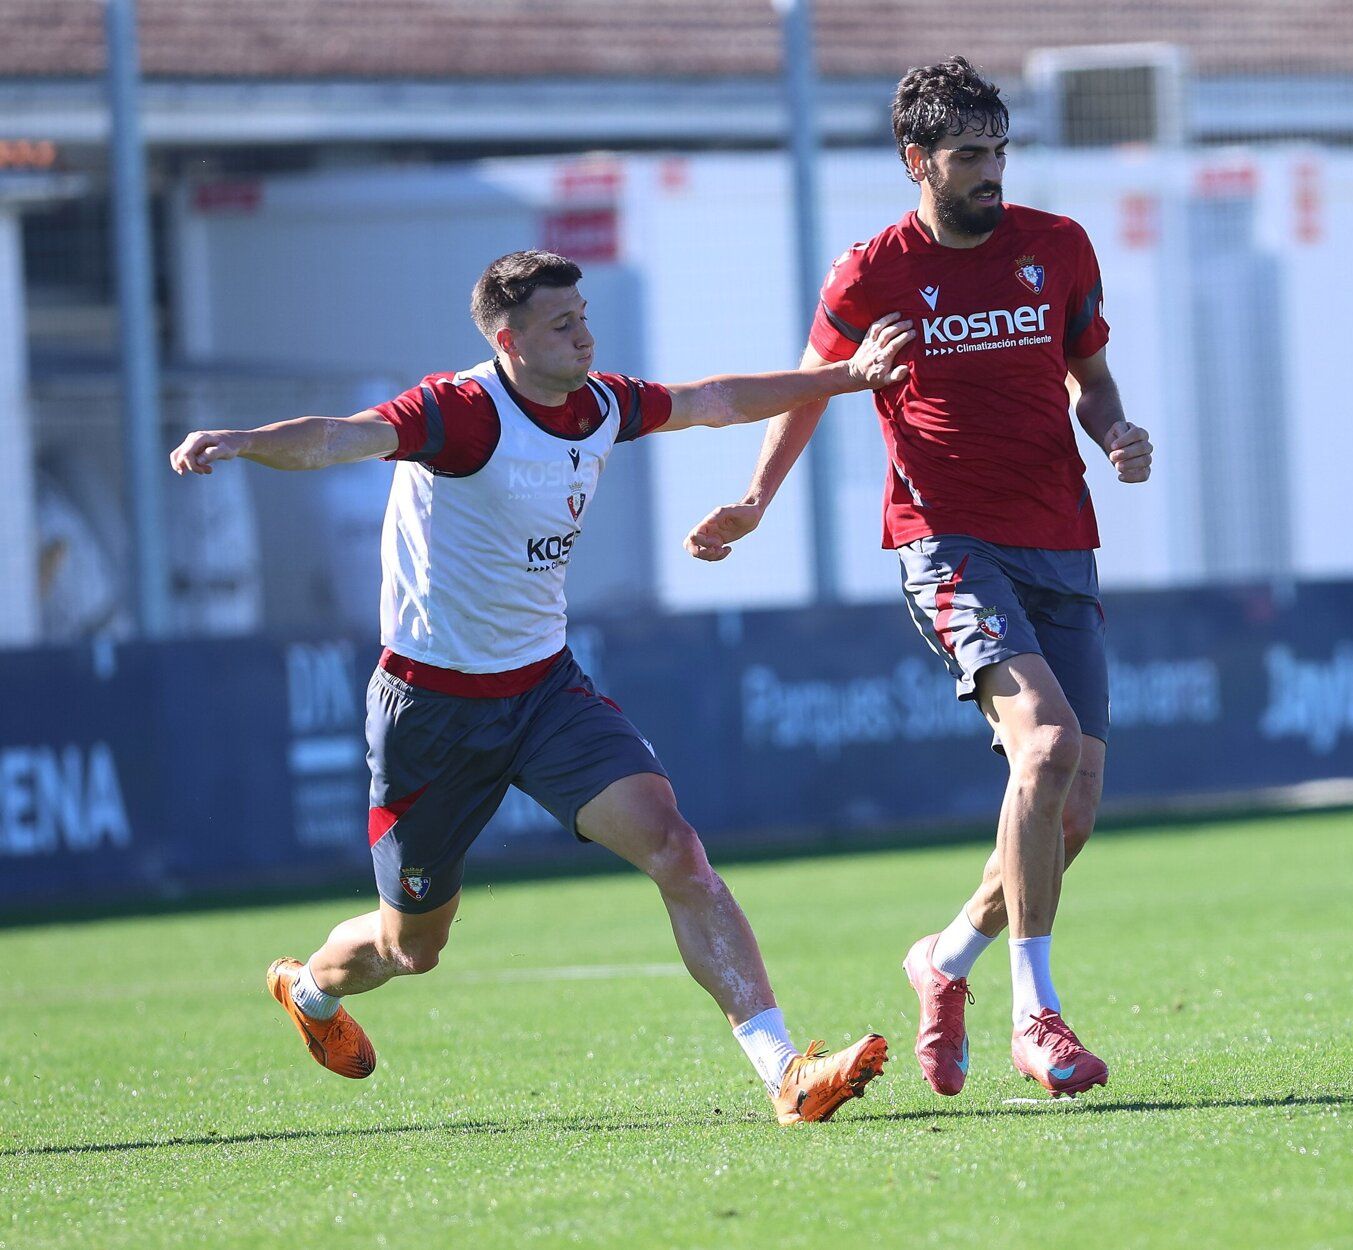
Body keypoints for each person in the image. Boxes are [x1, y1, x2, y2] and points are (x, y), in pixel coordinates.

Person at [170, 250, 913, 1125]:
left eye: (584, 316)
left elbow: (717, 400)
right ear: (507, 339)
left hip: (544, 692)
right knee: (411, 949)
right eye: (564, 325)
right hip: (431, 711)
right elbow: (339, 437)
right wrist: (244, 443)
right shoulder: (458, 412)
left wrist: (847, 376)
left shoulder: (601, 403)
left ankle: (785, 1071)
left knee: (676, 848)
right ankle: (311, 990)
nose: (585, 336)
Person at [685, 59, 1154, 1099]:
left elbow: (1088, 369)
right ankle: (1038, 1014)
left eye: (999, 152)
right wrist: (756, 500)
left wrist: (1113, 425)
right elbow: (811, 388)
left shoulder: (1058, 248)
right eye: (969, 157)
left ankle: (941, 961)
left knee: (1066, 812)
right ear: (917, 161)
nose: (991, 173)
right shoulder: (873, 274)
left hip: (1058, 539)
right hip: (944, 541)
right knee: (1045, 741)